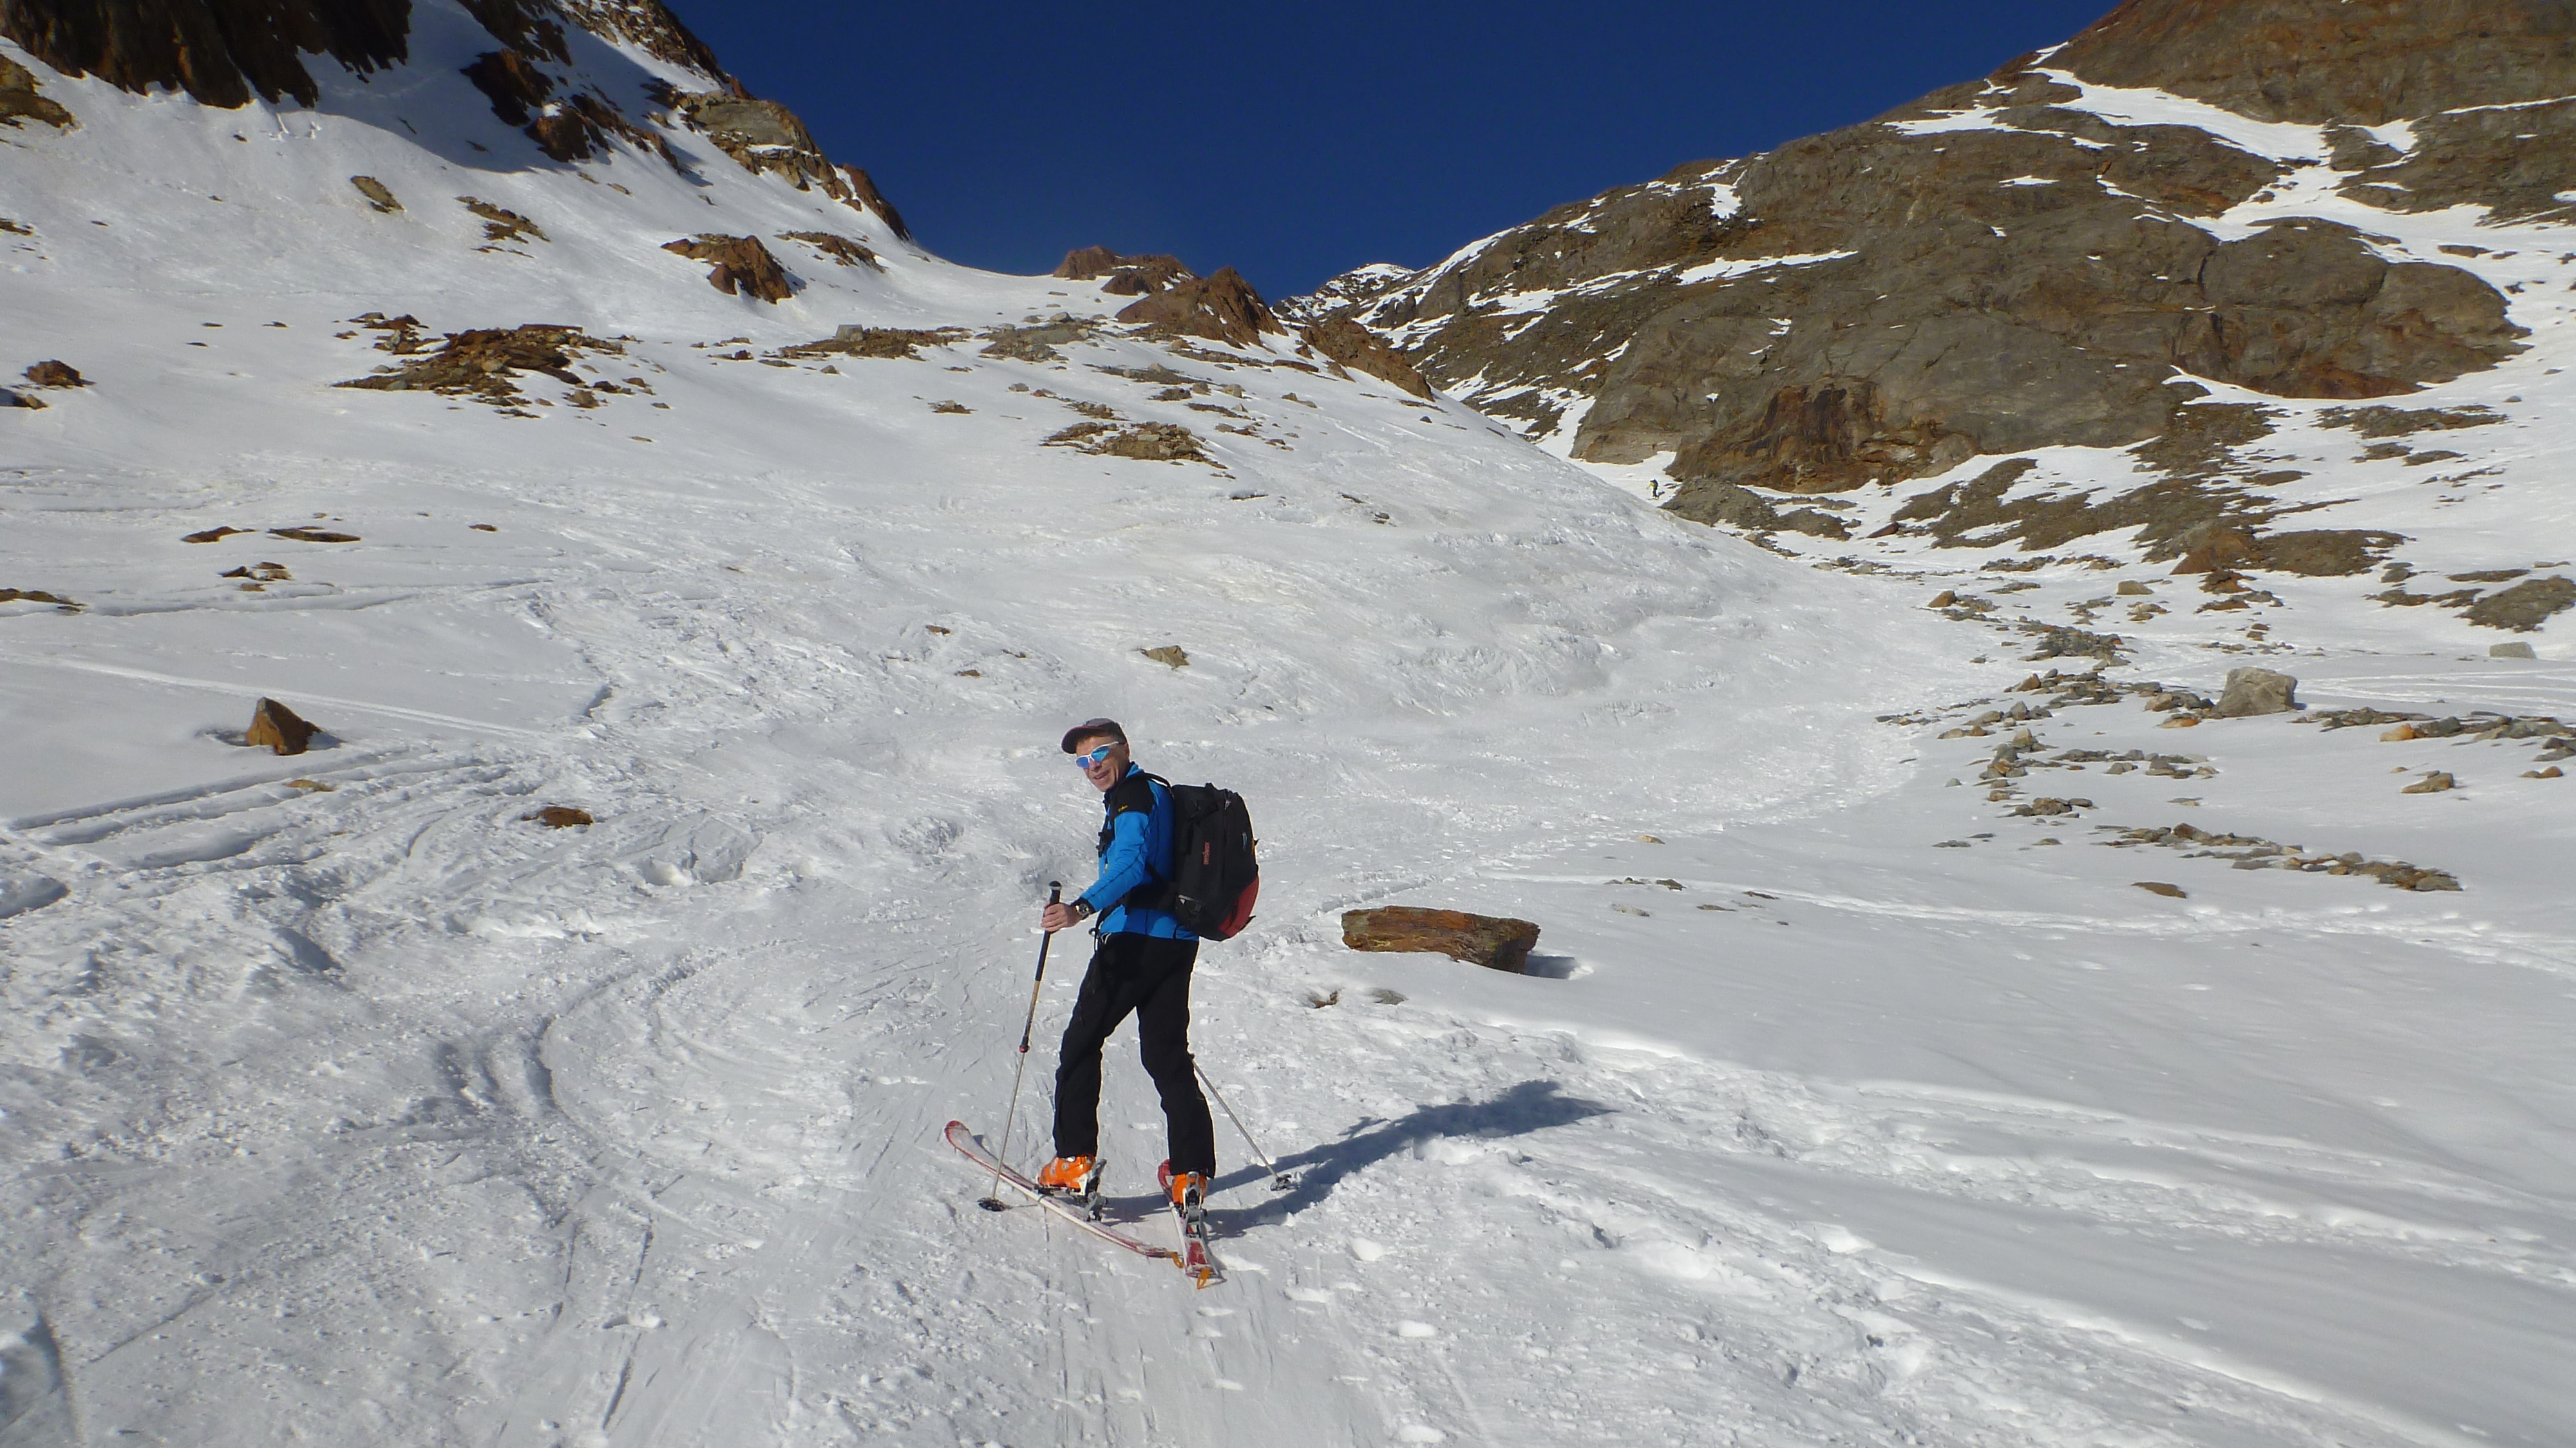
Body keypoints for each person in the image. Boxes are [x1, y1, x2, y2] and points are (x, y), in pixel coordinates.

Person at [1037, 718, 1217, 1223]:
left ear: (1124, 749)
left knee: (1081, 1044)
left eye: (1100, 754)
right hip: (1176, 942)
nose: (1092, 767)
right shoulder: (1158, 794)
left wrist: (1081, 908)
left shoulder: (1134, 797)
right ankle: (1190, 1173)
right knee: (1166, 1055)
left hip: (1133, 942)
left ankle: (1073, 1162)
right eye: (1083, 761)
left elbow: (1132, 867)